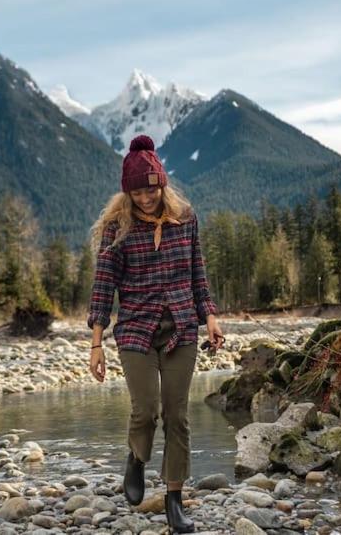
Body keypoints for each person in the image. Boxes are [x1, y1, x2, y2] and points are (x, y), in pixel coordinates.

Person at [86, 133, 225, 534]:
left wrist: (210, 316)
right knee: (145, 409)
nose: (145, 199)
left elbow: (197, 272)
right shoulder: (117, 228)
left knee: (177, 416)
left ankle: (174, 498)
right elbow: (103, 286)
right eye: (137, 193)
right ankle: (136, 457)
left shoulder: (186, 218)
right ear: (127, 193)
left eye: (151, 190)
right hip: (135, 328)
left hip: (181, 326)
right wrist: (96, 342)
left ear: (162, 183)